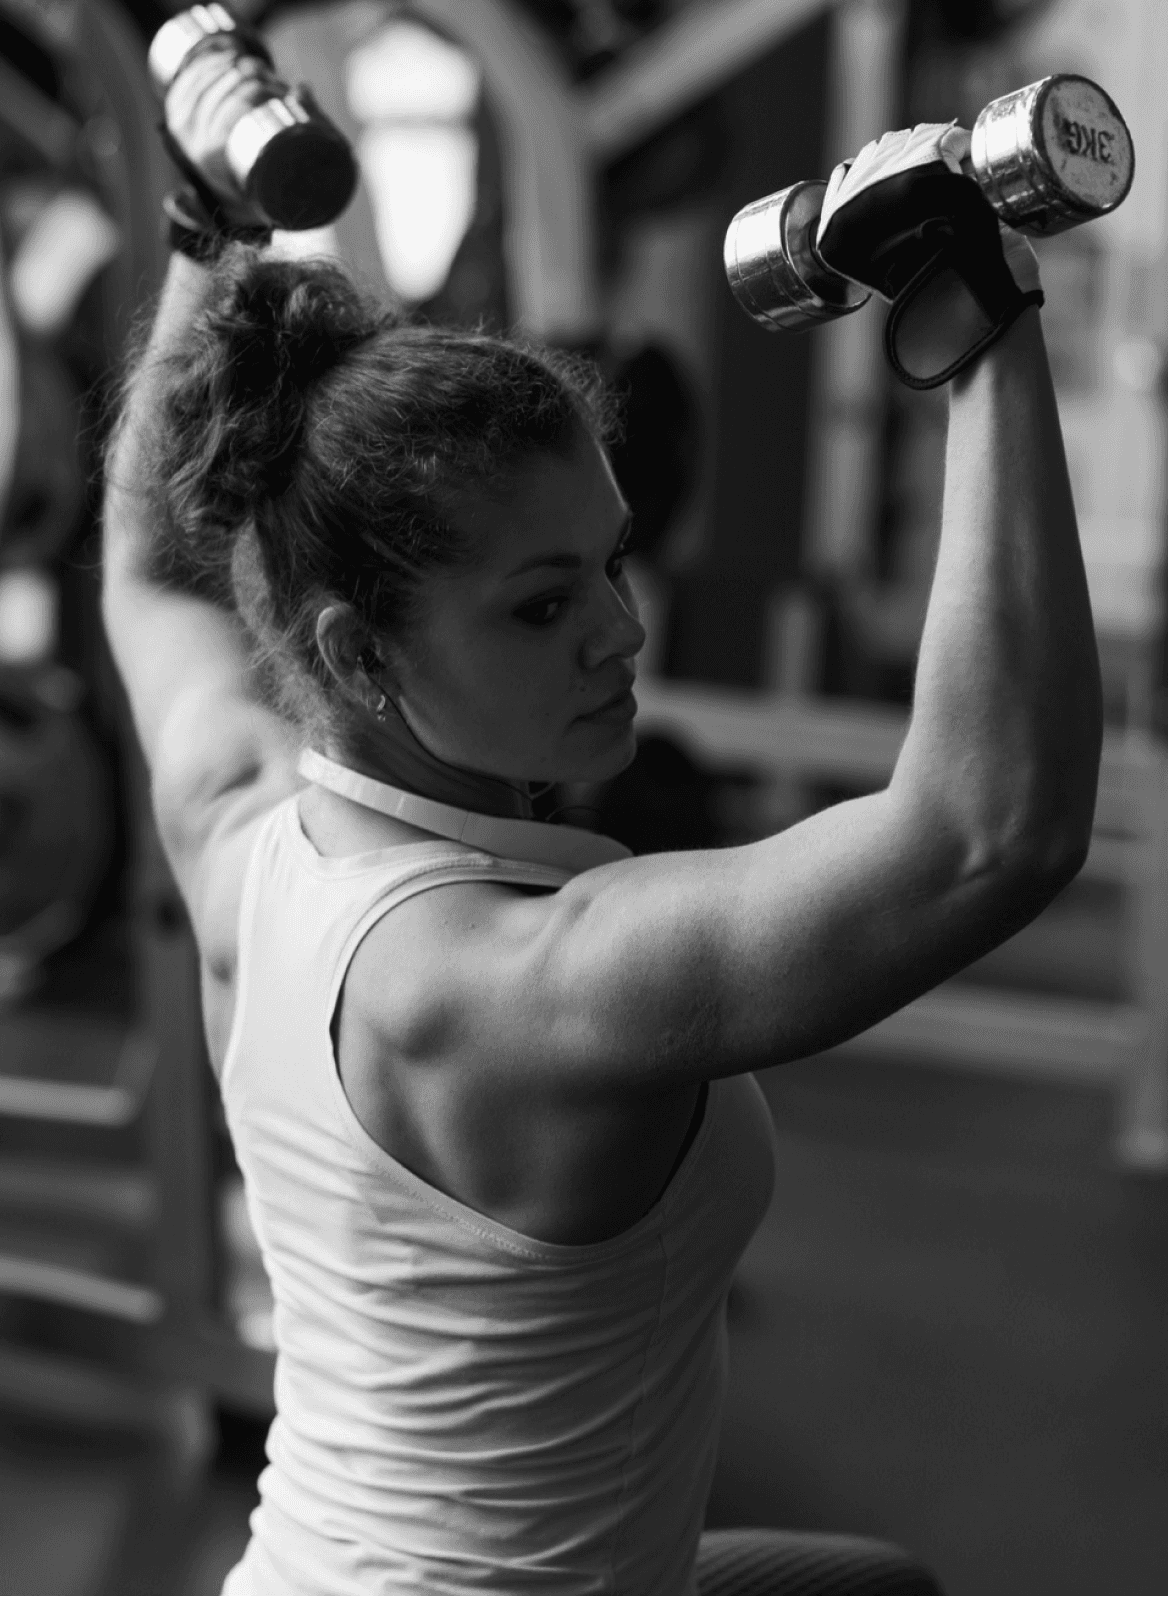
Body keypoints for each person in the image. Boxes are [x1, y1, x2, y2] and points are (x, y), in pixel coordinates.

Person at [100, 52, 1101, 1599]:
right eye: (544, 605)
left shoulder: (239, 827)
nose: (620, 635)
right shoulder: (514, 986)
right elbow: (989, 829)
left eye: (611, 564)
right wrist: (980, 337)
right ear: (361, 656)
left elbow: (153, 576)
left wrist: (197, 217)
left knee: (865, 1587)